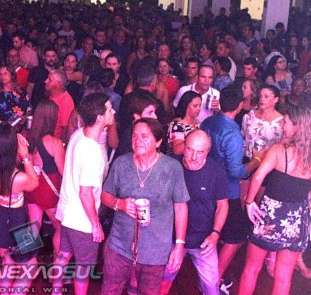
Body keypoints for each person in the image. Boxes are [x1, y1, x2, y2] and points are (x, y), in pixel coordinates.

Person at [240, 106, 311, 295]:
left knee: (251, 269)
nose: (282, 125)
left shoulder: (279, 150)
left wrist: (249, 202)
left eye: (285, 122)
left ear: (297, 126)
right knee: (284, 277)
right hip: (296, 221)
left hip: (269, 216)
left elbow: (257, 177)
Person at [100, 118, 189, 295]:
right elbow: (105, 195)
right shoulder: (121, 164)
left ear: (158, 142)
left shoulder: (172, 168)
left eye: (144, 136)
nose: (137, 140)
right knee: (110, 290)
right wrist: (120, 204)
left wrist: (179, 246)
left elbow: (181, 207)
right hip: (120, 245)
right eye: (134, 136)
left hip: (155, 250)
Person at [200, 87, 263, 293]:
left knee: (214, 232)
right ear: (240, 105)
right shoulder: (233, 133)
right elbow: (236, 171)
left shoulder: (208, 122)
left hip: (206, 184)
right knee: (237, 237)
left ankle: (209, 277)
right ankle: (213, 282)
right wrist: (257, 161)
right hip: (227, 191)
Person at [53, 92, 114, 295]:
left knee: (63, 255)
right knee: (83, 268)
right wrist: (95, 224)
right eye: (109, 109)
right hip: (82, 220)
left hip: (66, 212)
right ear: (99, 117)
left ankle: (55, 291)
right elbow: (85, 193)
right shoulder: (92, 151)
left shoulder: (78, 134)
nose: (113, 112)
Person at [160, 130, 229, 295]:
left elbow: (222, 205)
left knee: (211, 286)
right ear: (183, 147)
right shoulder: (170, 166)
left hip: (203, 240)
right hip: (172, 237)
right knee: (163, 278)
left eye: (200, 152)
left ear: (208, 151)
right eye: (190, 150)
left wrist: (215, 234)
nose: (193, 157)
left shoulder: (216, 171)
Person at [0, 124, 39, 290]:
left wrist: (11, 137)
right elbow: (34, 183)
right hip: (18, 221)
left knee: (7, 262)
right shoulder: (18, 178)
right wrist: (25, 155)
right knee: (31, 267)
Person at [26, 99, 65, 254]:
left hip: (32, 184)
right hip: (49, 189)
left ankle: (26, 260)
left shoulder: (27, 136)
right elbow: (63, 171)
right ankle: (57, 264)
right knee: (60, 227)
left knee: (32, 226)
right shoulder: (55, 142)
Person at [241, 85, 284, 161]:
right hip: (245, 158)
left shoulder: (281, 122)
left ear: (275, 100)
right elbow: (242, 136)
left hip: (267, 161)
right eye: (260, 96)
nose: (262, 99)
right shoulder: (251, 115)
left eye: (266, 97)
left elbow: (281, 146)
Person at [166, 91, 202, 157]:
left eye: (200, 106)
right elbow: (177, 150)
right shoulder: (176, 125)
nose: (199, 109)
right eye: (195, 106)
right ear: (186, 105)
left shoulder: (198, 123)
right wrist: (194, 136)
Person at [45, 69, 75, 144]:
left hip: (54, 143)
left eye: (50, 80)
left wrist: (61, 145)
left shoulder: (66, 101)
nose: (45, 81)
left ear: (58, 84)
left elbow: (65, 129)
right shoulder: (52, 95)